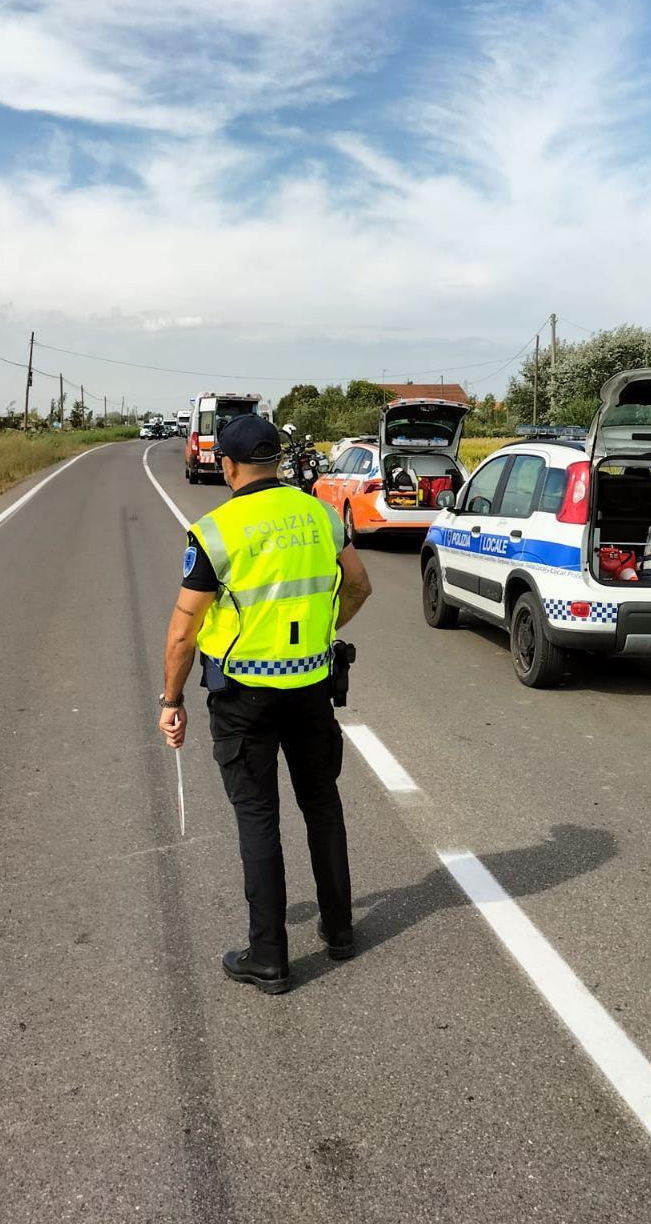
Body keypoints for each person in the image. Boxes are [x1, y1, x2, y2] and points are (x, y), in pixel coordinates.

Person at [158, 414, 372, 994]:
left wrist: (171, 699)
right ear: (276, 461)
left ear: (226, 465)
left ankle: (270, 956)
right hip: (311, 688)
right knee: (321, 804)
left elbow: (184, 630)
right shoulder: (320, 515)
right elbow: (358, 585)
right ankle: (339, 932)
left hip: (242, 696)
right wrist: (324, 633)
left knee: (258, 818)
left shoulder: (218, 530)